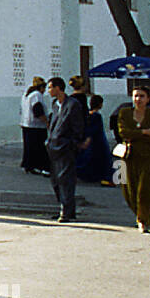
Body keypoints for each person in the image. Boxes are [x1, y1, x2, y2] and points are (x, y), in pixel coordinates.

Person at [117, 85, 150, 232]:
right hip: (128, 156)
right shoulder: (124, 113)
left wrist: (137, 134)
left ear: (148, 99)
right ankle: (138, 212)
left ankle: (143, 219)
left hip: (149, 155)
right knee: (128, 188)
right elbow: (123, 132)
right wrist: (144, 132)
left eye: (142, 96)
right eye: (136, 96)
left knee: (146, 189)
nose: (138, 99)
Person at [45, 76, 86, 222]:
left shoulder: (72, 104)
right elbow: (53, 123)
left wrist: (72, 143)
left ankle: (67, 211)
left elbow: (78, 126)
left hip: (65, 147)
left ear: (58, 88)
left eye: (50, 87)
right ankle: (64, 207)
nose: (48, 91)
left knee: (66, 180)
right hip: (53, 147)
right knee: (55, 180)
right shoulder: (55, 104)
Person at [77, 94, 113, 186]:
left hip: (93, 140)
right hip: (98, 140)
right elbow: (94, 129)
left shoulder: (88, 114)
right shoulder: (96, 116)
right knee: (103, 159)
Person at [19, 76, 50, 175]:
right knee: (39, 147)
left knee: (29, 146)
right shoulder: (37, 95)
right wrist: (47, 122)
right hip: (36, 125)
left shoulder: (26, 95)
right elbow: (38, 110)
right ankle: (40, 166)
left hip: (26, 124)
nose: (44, 91)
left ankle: (29, 165)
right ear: (41, 87)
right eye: (44, 88)